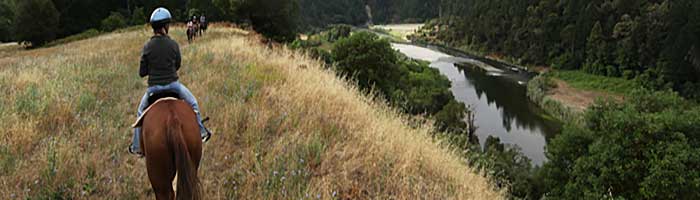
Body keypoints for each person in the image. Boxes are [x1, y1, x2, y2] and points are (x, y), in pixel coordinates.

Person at [129, 7, 211, 157]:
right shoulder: (173, 44)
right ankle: (201, 131)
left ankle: (137, 147)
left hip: (153, 90)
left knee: (140, 112)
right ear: (166, 26)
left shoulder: (147, 47)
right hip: (174, 87)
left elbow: (142, 72)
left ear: (153, 27)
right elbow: (178, 65)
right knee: (193, 103)